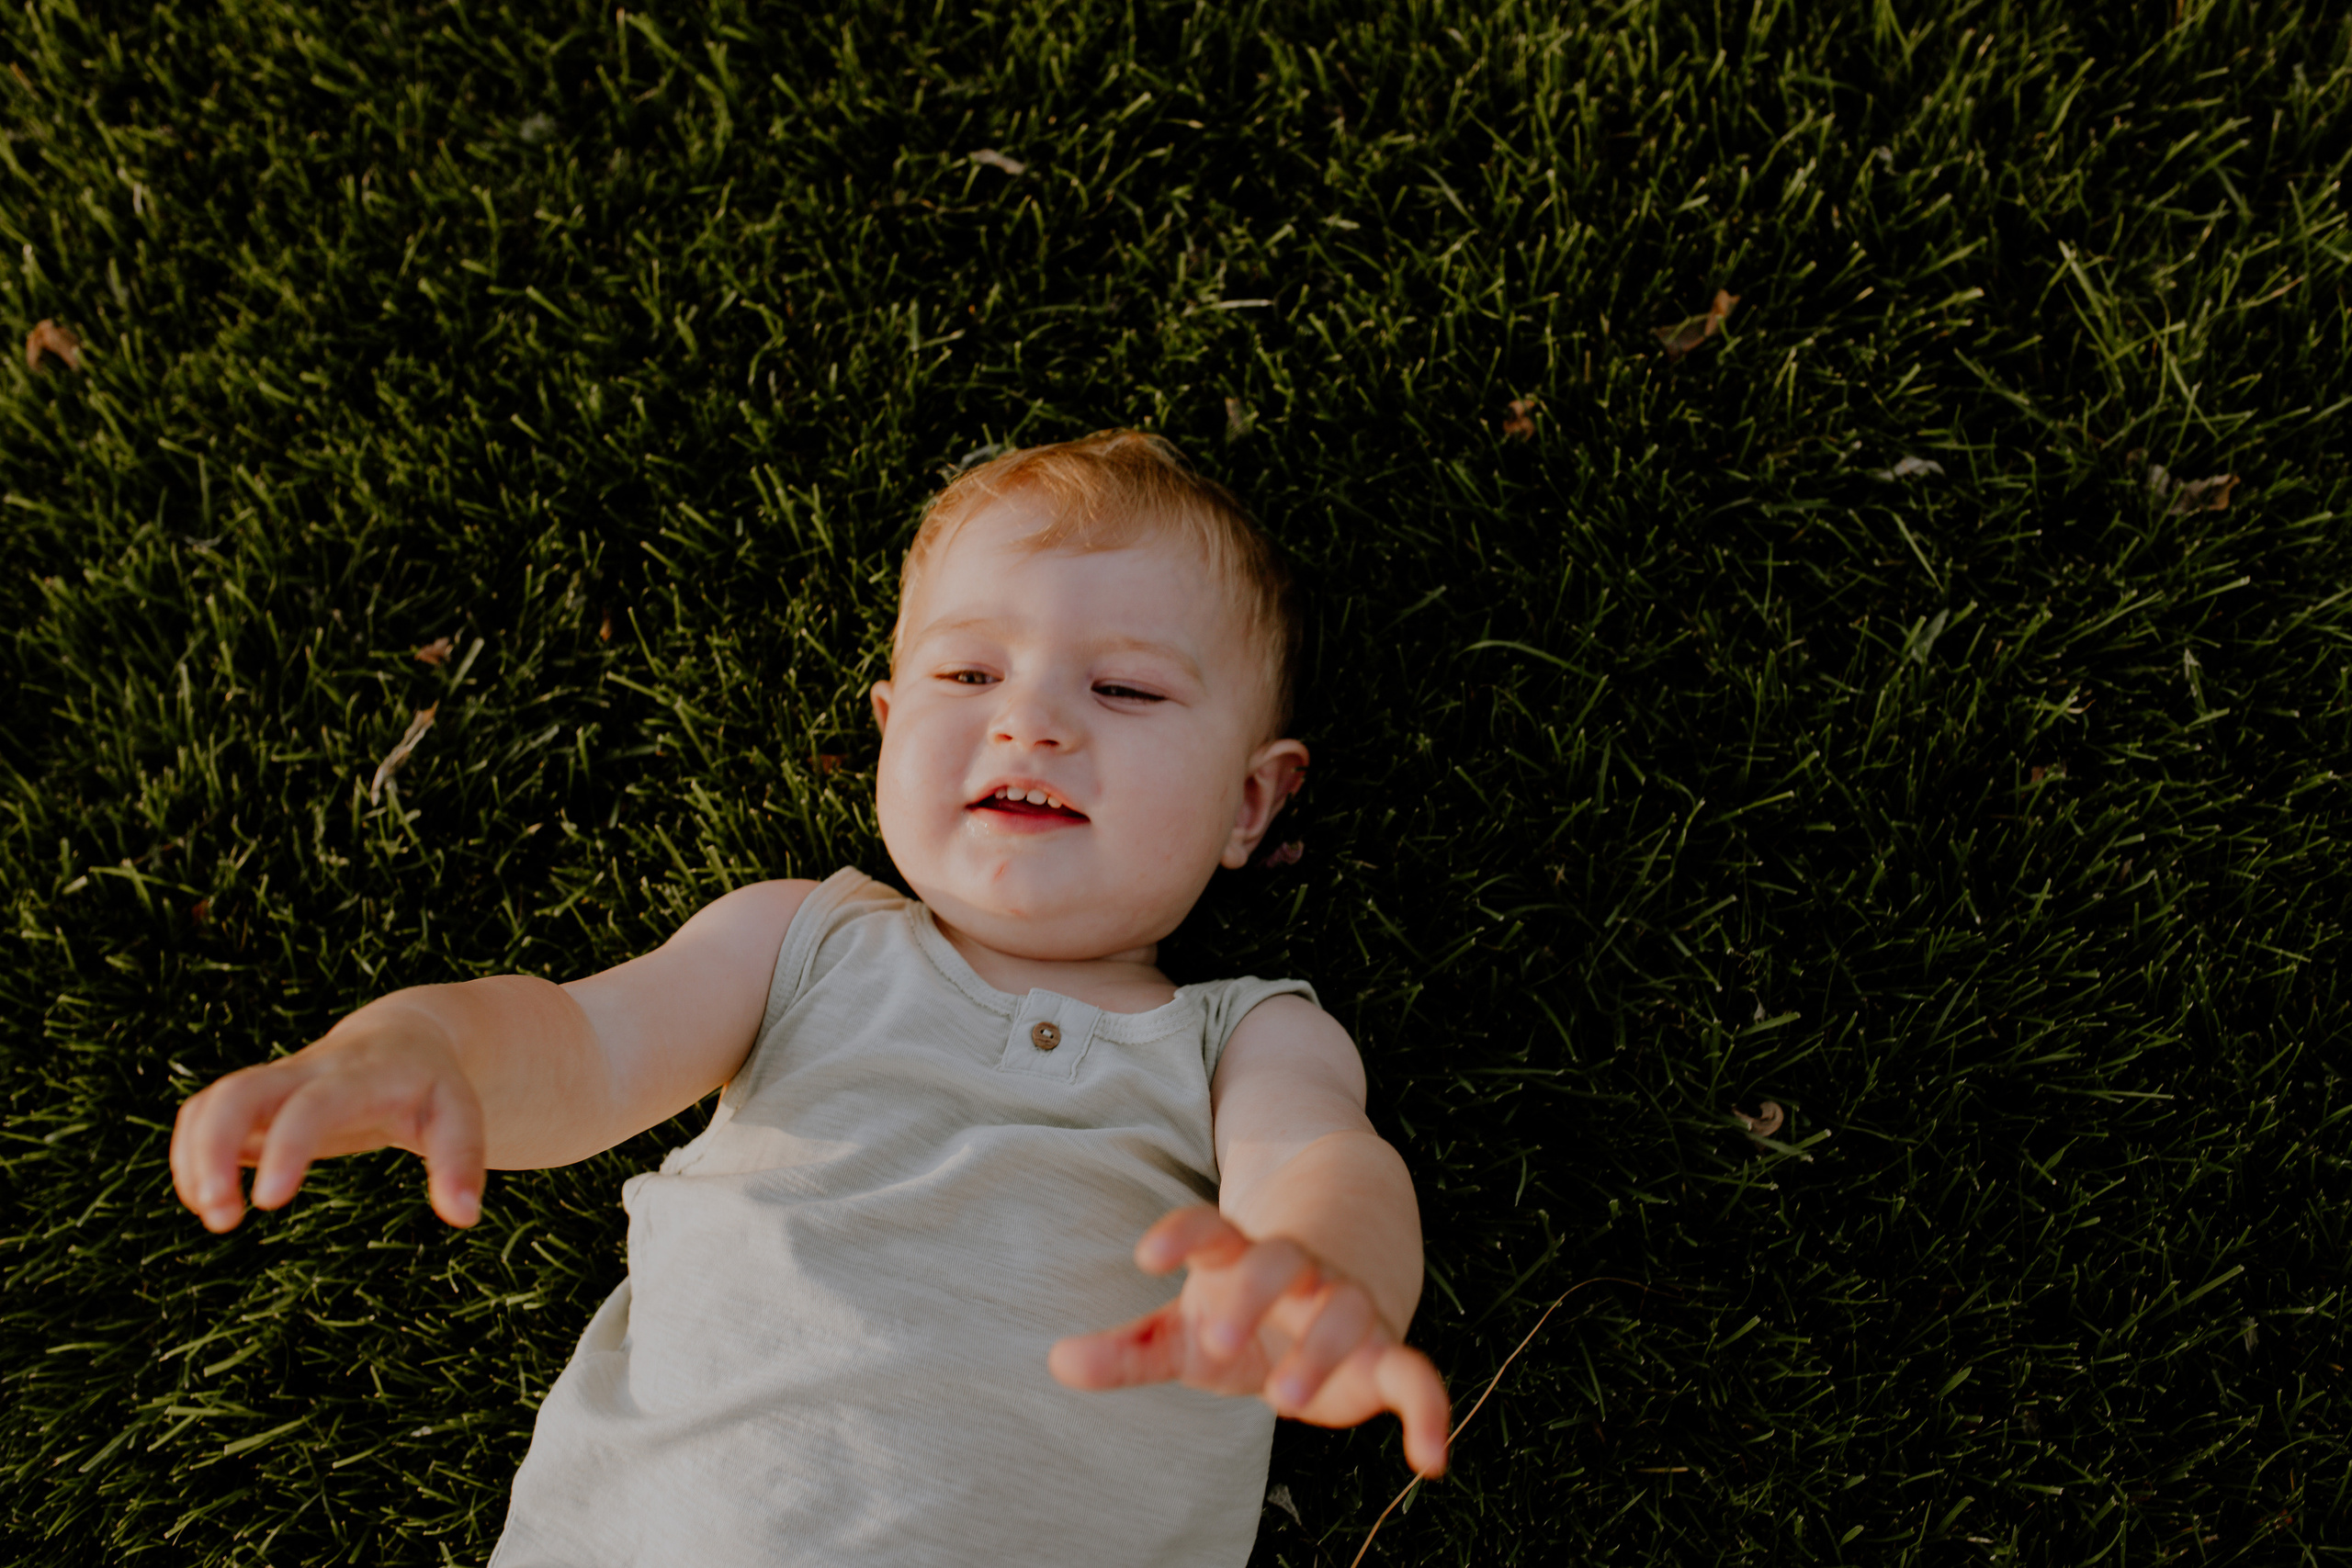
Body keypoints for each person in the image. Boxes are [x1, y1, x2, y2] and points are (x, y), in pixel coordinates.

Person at [168, 430, 1450, 1566]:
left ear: (1248, 802)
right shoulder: (801, 942)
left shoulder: (1244, 1039)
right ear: (890, 724)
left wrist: (1323, 1275)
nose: (1031, 723)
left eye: (1123, 689)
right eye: (968, 679)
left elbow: (1328, 1161)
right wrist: (421, 1044)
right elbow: (578, 1042)